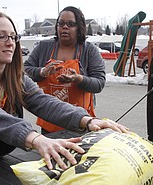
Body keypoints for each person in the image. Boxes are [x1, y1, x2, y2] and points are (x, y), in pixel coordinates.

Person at [0, 11, 127, 172]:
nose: (10, 42)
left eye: (13, 36)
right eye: (1, 36)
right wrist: (36, 139)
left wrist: (87, 120)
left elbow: (41, 101)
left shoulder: (13, 76)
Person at [24, 6, 106, 134]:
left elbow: (99, 83)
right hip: (50, 121)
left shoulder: (89, 50)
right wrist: (42, 72)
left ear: (79, 27)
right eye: (61, 23)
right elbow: (24, 70)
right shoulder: (43, 47)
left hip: (81, 123)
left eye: (70, 24)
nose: (65, 27)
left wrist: (78, 79)